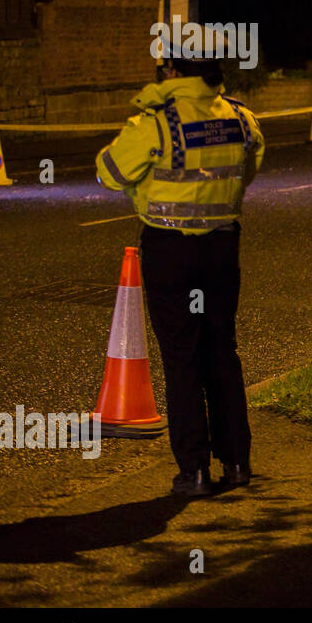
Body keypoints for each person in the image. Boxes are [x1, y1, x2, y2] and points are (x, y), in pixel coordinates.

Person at [95, 51, 264, 497]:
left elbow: (109, 172)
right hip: (223, 246)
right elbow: (247, 171)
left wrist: (142, 186)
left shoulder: (155, 124)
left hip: (171, 250)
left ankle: (194, 471)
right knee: (222, 350)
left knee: (182, 357)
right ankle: (237, 464)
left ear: (173, 73)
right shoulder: (242, 119)